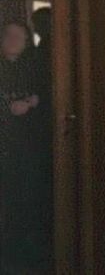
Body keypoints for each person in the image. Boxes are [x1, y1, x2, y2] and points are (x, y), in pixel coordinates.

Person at [0, 20, 51, 273]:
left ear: (27, 41)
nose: (12, 40)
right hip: (4, 143)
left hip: (29, 145)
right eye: (8, 35)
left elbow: (48, 95)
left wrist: (31, 103)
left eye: (18, 36)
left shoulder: (35, 68)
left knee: (29, 196)